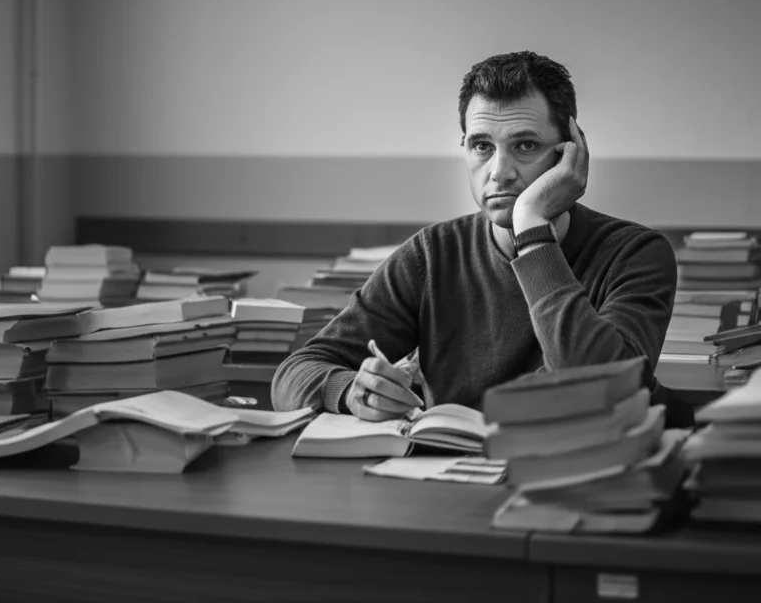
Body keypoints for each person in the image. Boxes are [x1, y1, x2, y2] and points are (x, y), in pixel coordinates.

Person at [272, 50, 692, 427]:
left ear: (570, 152)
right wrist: (352, 392)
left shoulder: (636, 254)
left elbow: (601, 385)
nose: (499, 172)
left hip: (580, 473)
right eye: (481, 146)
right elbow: (295, 372)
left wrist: (532, 229)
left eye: (525, 145)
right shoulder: (431, 255)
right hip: (451, 474)